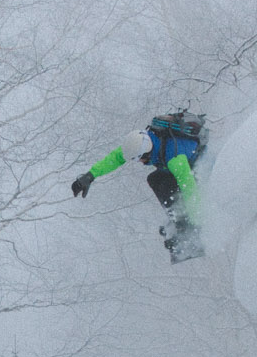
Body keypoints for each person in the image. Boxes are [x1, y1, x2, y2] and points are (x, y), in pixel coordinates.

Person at [71, 111, 208, 261]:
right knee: (155, 178)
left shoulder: (174, 158)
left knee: (163, 182)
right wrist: (90, 176)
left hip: (200, 167)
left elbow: (190, 189)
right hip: (180, 169)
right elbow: (116, 158)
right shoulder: (148, 139)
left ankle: (186, 226)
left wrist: (197, 225)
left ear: (147, 153)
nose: (141, 163)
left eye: (140, 159)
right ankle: (178, 218)